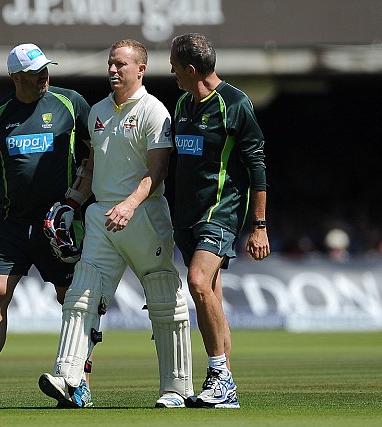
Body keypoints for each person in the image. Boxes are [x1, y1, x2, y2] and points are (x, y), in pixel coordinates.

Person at [38, 39, 193, 409]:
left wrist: (129, 204)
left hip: (145, 215)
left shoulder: (155, 112)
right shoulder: (97, 112)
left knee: (163, 300)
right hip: (102, 216)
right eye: (110, 64)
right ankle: (69, 376)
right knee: (81, 294)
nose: (113, 70)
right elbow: (92, 167)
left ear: (141, 68)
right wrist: (72, 203)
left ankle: (178, 388)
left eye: (121, 64)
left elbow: (158, 172)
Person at [0, 43, 93, 409]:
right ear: (14, 77)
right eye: (33, 73)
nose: (43, 76)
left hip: (60, 224)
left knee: (72, 301)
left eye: (45, 69)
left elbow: (97, 156)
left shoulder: (71, 103)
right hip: (12, 223)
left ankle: (77, 384)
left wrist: (81, 204)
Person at [169, 33, 270, 409]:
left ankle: (219, 377)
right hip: (186, 217)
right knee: (211, 295)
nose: (172, 74)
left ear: (191, 69)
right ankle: (224, 385)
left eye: (175, 68)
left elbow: (256, 167)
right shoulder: (182, 103)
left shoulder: (235, 104)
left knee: (196, 281)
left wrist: (259, 225)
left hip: (220, 211)